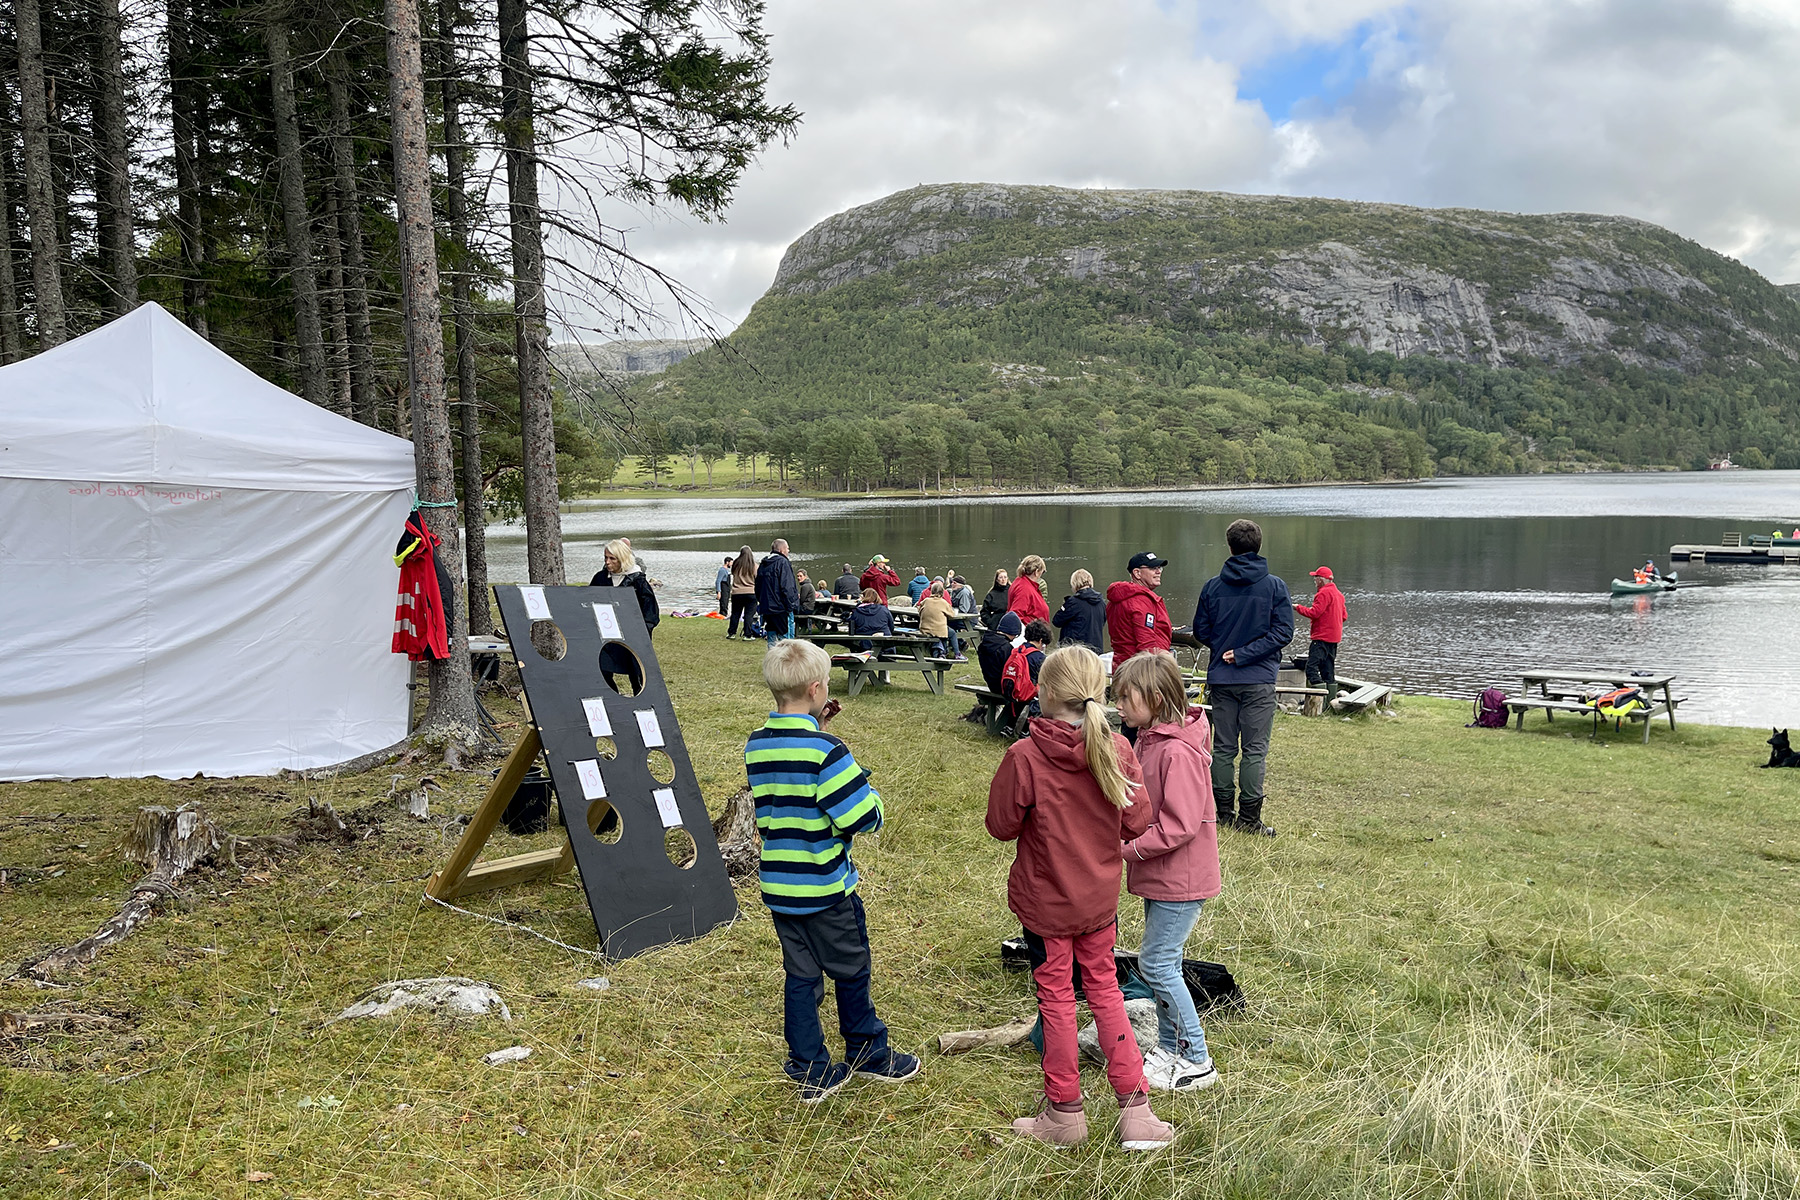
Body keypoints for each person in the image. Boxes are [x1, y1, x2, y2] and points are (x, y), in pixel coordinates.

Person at [985, 645, 1172, 1150]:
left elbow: (1000, 826)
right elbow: (1138, 820)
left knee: (1057, 999)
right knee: (1106, 992)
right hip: (1097, 903)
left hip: (1045, 905)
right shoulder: (1118, 751)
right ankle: (1137, 1113)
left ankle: (1065, 1114)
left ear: (1044, 694)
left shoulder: (1024, 756)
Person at [746, 639, 921, 1102]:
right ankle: (868, 1053)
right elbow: (861, 817)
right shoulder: (828, 751)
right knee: (851, 969)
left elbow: (792, 778)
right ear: (817, 687)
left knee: (801, 975)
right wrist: (870, 789)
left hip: (781, 887)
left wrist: (817, 728)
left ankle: (810, 1069)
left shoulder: (757, 744)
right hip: (826, 887)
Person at [1113, 652, 1221, 1093]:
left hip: (1181, 878)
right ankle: (1169, 1047)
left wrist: (1128, 850)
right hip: (1162, 876)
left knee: (1156, 965)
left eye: (1125, 697)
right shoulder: (1148, 739)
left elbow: (1180, 824)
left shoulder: (1177, 750)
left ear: (1155, 699)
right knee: (1164, 963)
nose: (1118, 705)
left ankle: (1196, 1057)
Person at [1191, 520, 1292, 838]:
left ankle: (1222, 813)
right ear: (1258, 546)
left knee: (1222, 748)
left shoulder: (1212, 587)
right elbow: (1283, 632)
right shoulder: (1274, 586)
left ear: (1230, 546)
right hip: (1259, 678)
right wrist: (1248, 653)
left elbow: (1201, 631)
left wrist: (1229, 649)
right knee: (1254, 750)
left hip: (1222, 677)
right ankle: (1249, 818)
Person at [589, 539, 658, 695]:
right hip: (606, 635)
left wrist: (642, 631)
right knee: (603, 668)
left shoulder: (638, 581)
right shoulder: (600, 578)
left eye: (612, 558)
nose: (607, 562)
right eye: (605, 558)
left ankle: (641, 699)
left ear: (622, 558)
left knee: (636, 672)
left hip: (632, 636)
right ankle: (613, 696)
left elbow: (651, 612)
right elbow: (588, 602)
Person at [1106, 551, 1173, 666]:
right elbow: (1147, 644)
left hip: (1122, 666)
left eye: (1159, 568)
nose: (1158, 572)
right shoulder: (1141, 602)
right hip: (1141, 671)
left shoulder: (1117, 599)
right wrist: (1160, 669)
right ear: (1137, 573)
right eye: (1153, 568)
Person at [1293, 566, 1346, 709]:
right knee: (1328, 670)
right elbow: (1344, 616)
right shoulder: (1339, 595)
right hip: (1334, 640)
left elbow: (1314, 613)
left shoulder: (1323, 594)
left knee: (1311, 668)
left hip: (1321, 638)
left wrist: (1297, 607)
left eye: (1315, 578)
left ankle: (1317, 700)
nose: (1314, 580)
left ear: (1321, 580)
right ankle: (1330, 704)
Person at [999, 620, 1051, 726]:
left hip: (1011, 689)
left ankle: (1009, 726)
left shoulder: (1017, 650)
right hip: (1027, 693)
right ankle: (1027, 729)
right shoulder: (1039, 657)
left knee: (1022, 696)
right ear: (1041, 640)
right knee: (1041, 695)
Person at [756, 539, 801, 647]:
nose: (788, 551)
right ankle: (787, 662)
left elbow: (757, 586)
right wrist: (793, 605)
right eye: (787, 548)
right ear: (781, 549)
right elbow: (787, 587)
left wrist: (762, 602)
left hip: (768, 608)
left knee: (772, 638)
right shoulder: (783, 562)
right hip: (781, 608)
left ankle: (772, 662)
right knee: (786, 640)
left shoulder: (763, 564)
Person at [1051, 569, 1106, 652]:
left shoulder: (1073, 602)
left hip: (1075, 651)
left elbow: (1056, 621)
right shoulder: (1101, 602)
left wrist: (1064, 606)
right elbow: (1103, 622)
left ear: (1074, 584)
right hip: (1096, 650)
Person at [978, 611, 1024, 695]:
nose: (1014, 638)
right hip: (1003, 687)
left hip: (991, 684)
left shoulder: (984, 643)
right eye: (1016, 635)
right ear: (1012, 632)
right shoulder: (1006, 648)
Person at [1007, 555, 1051, 625]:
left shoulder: (1022, 583)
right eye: (1042, 572)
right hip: (1030, 633)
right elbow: (1015, 616)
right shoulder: (1023, 588)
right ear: (1036, 572)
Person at [916, 582, 955, 659]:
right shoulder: (944, 603)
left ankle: (940, 653)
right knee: (948, 632)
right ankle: (949, 653)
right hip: (939, 629)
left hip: (925, 628)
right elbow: (952, 615)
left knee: (939, 634)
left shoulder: (925, 601)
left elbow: (919, 610)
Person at [727, 546, 758, 640]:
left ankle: (731, 633)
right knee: (749, 614)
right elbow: (758, 578)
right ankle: (747, 634)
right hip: (750, 592)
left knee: (735, 613)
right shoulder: (754, 565)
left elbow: (733, 574)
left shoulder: (736, 564)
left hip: (737, 592)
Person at [948, 575, 976, 659]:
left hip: (969, 620)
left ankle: (958, 645)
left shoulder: (964, 593)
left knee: (946, 624)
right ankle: (960, 643)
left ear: (960, 585)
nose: (952, 584)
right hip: (958, 618)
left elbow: (964, 611)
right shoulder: (954, 591)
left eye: (954, 583)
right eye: (952, 582)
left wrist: (952, 610)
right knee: (944, 623)